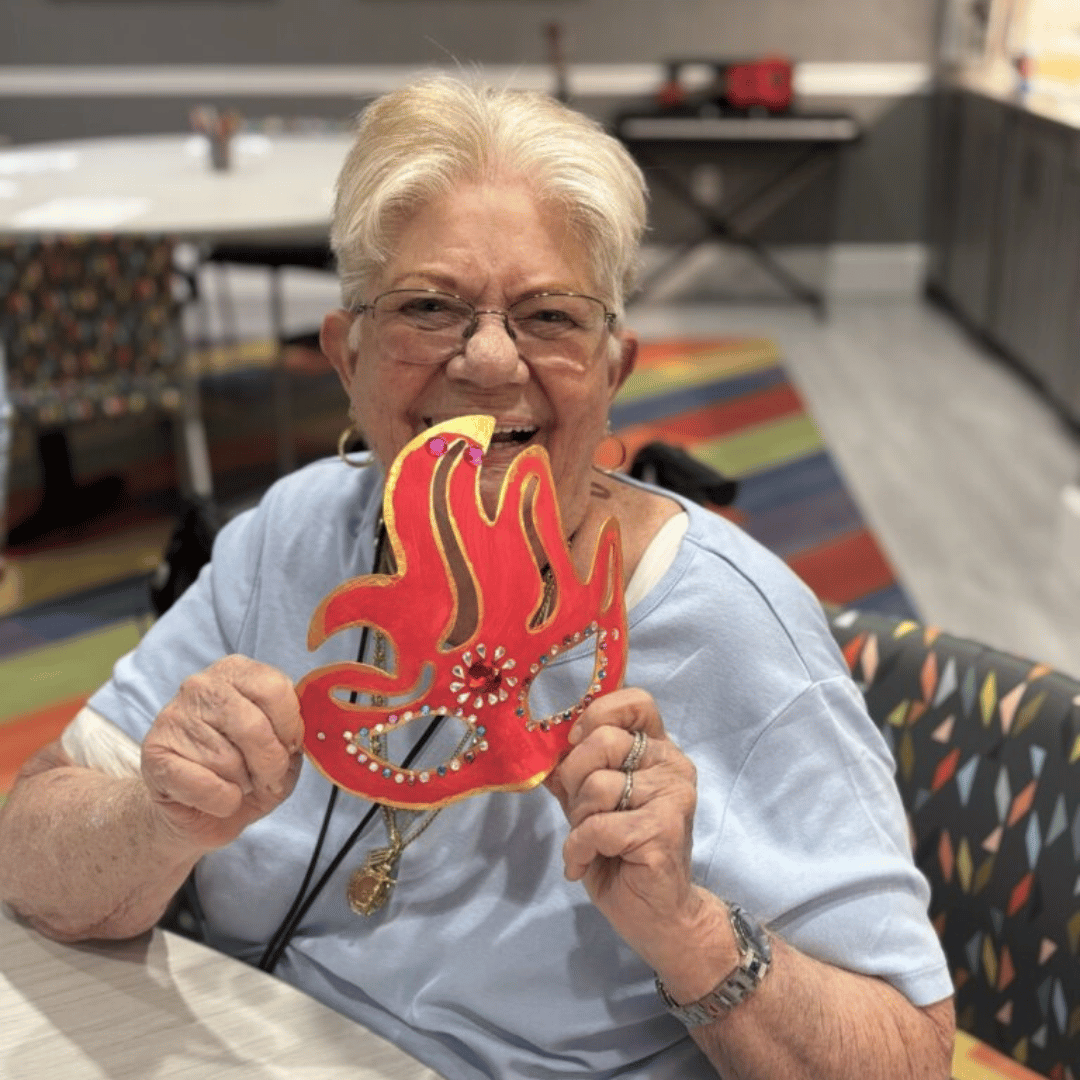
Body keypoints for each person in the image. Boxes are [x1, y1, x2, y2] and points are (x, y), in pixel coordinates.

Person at [0, 76, 955, 1079]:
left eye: (550, 316)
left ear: (614, 369)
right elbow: (29, 845)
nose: (491, 361)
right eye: (428, 307)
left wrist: (689, 932)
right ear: (347, 356)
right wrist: (155, 821)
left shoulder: (732, 629)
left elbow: (910, 1060)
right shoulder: (294, 532)